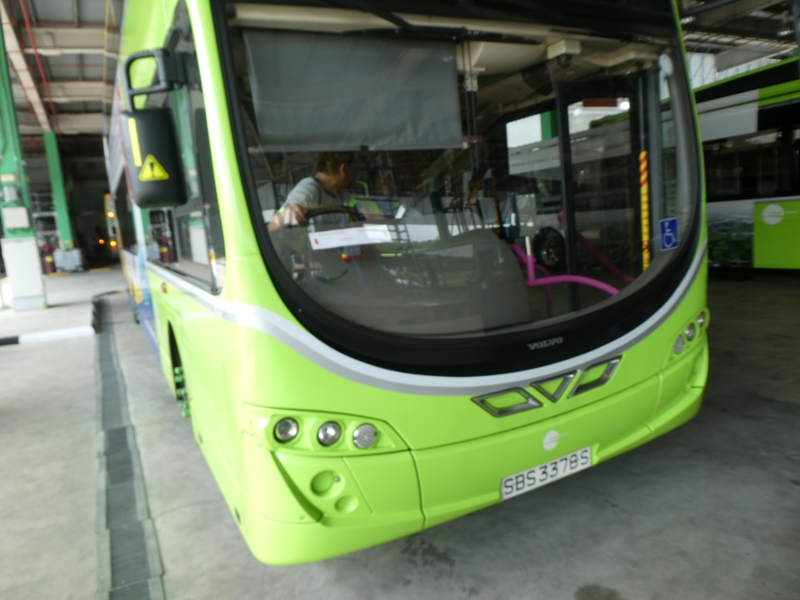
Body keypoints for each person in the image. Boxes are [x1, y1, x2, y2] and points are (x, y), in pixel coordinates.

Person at [268, 152, 357, 231]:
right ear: (344, 169)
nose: (351, 178)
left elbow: (361, 212)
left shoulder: (341, 194)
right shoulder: (309, 189)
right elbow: (273, 226)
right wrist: (289, 213)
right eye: (352, 173)